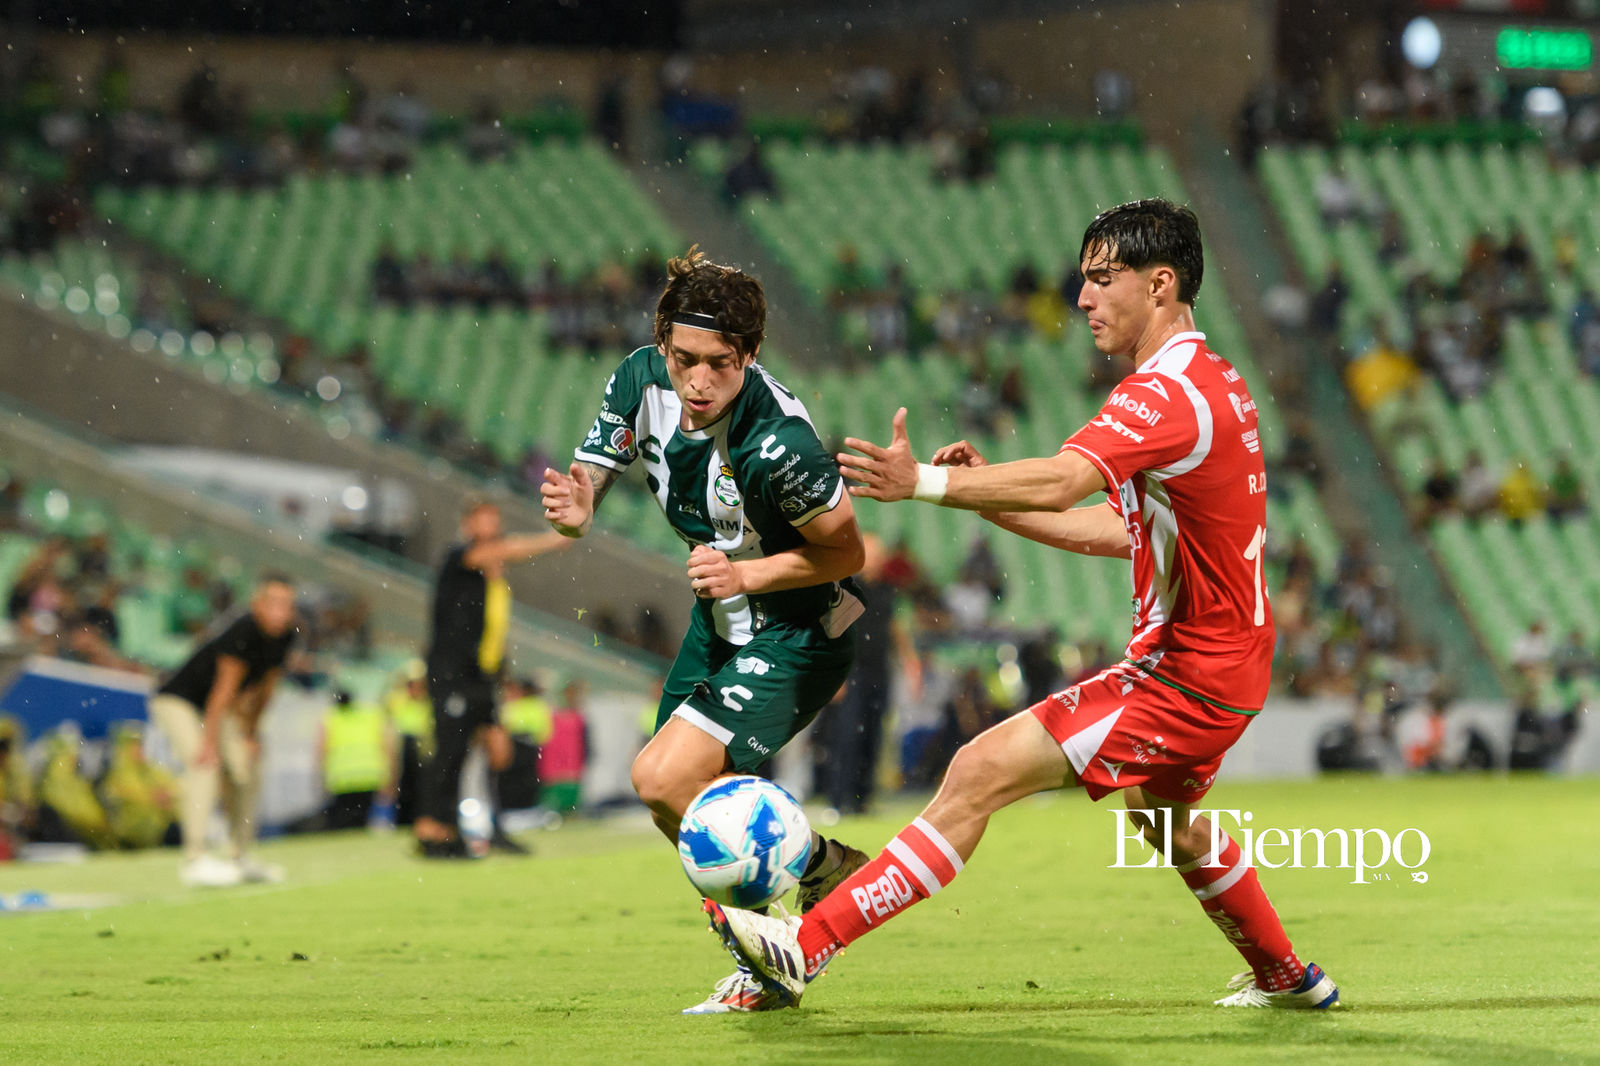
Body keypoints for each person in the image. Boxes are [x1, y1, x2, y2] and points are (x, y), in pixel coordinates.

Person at [707, 199, 1341, 1011]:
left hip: (1184, 673)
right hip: (1228, 664)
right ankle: (1288, 976)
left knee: (979, 770)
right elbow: (1120, 530)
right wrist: (985, 500)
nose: (1082, 298)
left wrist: (928, 484)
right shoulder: (1216, 380)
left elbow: (1065, 478)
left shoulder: (1166, 392)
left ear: (1161, 284)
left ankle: (803, 946)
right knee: (1169, 821)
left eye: (1101, 279)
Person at [541, 247, 873, 1014]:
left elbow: (848, 551)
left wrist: (748, 573)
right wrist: (581, 504)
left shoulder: (777, 444)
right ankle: (806, 895)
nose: (698, 382)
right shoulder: (638, 380)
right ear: (662, 346)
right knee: (667, 797)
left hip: (799, 629)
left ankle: (784, 942)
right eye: (684, 359)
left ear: (749, 357)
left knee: (662, 778)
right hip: (721, 621)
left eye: (719, 364)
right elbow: (596, 464)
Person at [414, 498, 569, 859]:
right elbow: (501, 551)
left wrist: (502, 674)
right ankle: (434, 831)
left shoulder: (491, 577)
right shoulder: (458, 557)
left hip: (480, 676)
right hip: (451, 673)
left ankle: (492, 826)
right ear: (468, 524)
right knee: (450, 752)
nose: (491, 526)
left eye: (494, 520)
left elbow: (492, 630)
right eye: (483, 520)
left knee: (498, 750)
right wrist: (551, 540)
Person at [148, 573, 298, 887]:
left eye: (286, 605)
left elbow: (265, 691)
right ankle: (195, 858)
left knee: (247, 766)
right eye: (273, 603)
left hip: (220, 709)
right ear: (257, 604)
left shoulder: (285, 637)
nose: (280, 612)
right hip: (179, 700)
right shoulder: (244, 631)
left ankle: (238, 856)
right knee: (203, 764)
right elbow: (222, 692)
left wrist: (250, 735)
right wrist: (209, 743)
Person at [814, 532, 922, 815]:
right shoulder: (844, 588)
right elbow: (830, 630)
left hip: (880, 672)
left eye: (877, 553)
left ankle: (863, 800)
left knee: (873, 735)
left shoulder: (888, 590)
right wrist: (831, 676)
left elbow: (894, 627)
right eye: (869, 552)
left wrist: (911, 662)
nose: (874, 558)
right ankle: (838, 801)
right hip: (850, 673)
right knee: (846, 736)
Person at [319, 689, 394, 831]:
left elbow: (321, 749)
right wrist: (389, 776)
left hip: (341, 778)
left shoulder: (331, 717)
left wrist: (321, 775)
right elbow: (387, 746)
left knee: (343, 822)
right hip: (368, 775)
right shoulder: (370, 715)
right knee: (362, 820)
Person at [538, 680, 588, 815]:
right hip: (554, 769)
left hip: (573, 767)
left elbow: (584, 742)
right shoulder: (550, 714)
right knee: (553, 806)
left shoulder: (580, 716)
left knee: (571, 807)